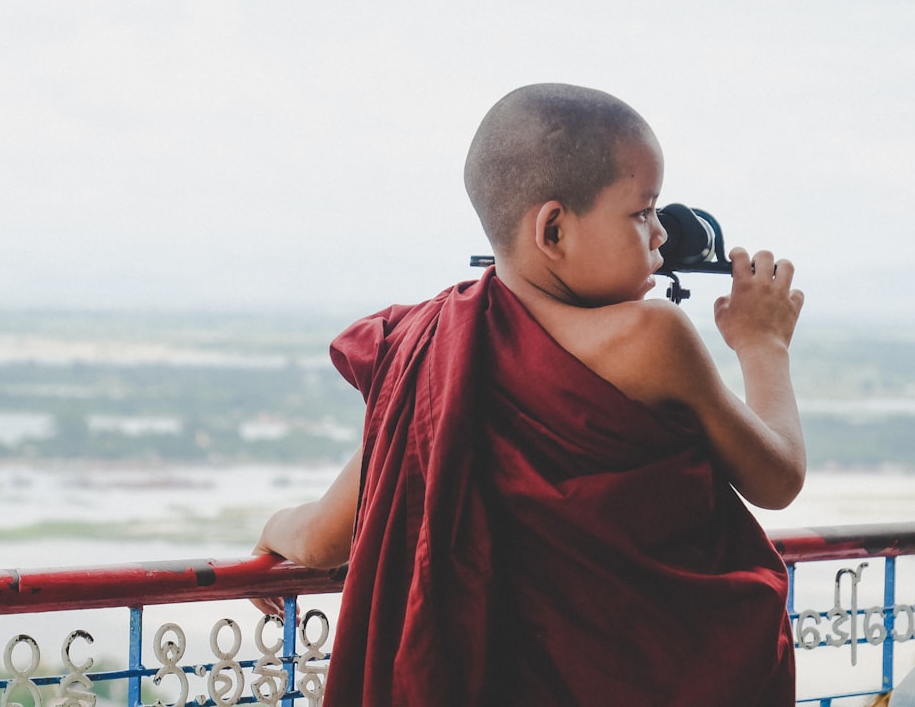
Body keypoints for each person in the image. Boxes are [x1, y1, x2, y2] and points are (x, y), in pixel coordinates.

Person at [251, 83, 805, 706]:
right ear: (554, 230)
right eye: (643, 212)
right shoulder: (653, 337)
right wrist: (764, 346)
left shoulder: (436, 350)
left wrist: (272, 527)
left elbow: (328, 536)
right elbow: (777, 477)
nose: (660, 238)